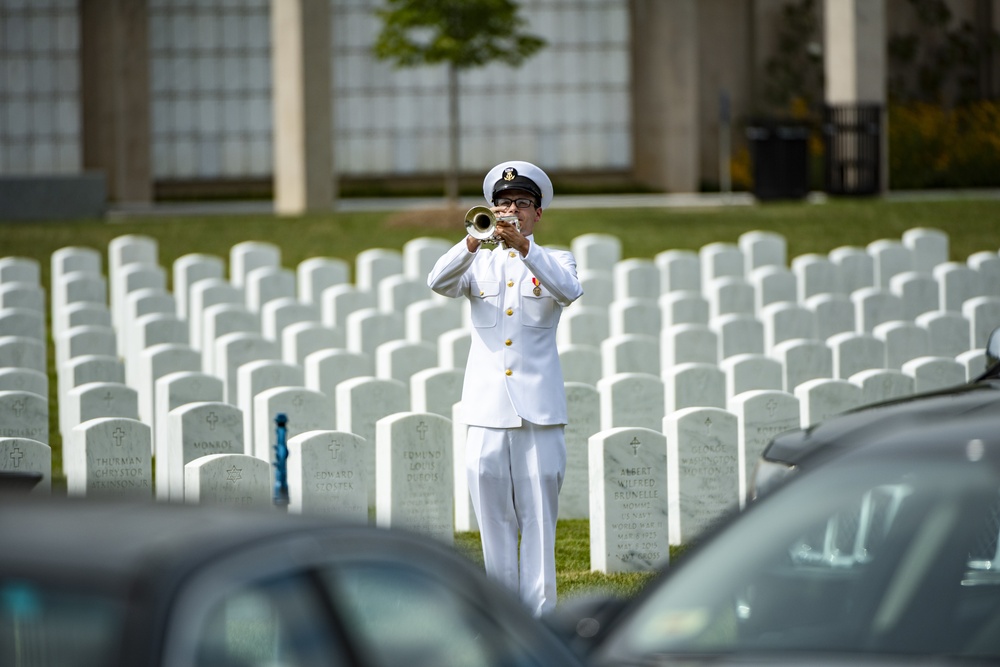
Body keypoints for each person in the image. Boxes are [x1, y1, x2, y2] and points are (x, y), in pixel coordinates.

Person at [427, 161, 583, 616]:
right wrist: (474, 240)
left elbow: (568, 290)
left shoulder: (557, 259)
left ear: (537, 214)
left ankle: (540, 618)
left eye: (521, 204)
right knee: (492, 523)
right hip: (486, 410)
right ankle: (500, 617)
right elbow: (438, 281)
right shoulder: (478, 261)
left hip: (540, 412)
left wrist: (527, 249)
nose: (511, 210)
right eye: (503, 203)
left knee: (539, 520)